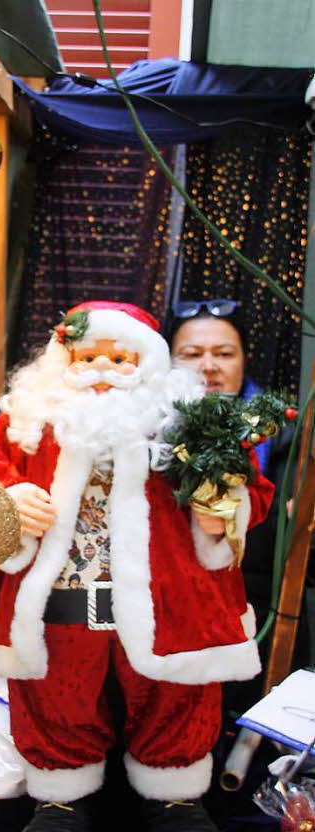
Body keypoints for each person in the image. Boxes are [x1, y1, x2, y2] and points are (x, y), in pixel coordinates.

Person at [0, 301, 273, 832]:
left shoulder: (186, 423)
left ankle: (175, 795)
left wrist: (226, 509)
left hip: (170, 605)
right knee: (55, 695)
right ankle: (59, 796)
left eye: (122, 359)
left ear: (149, 365)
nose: (103, 370)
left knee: (176, 697)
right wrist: (10, 502)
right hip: (61, 604)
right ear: (61, 360)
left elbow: (250, 490)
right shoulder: (26, 423)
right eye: (87, 357)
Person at [169, 298, 304, 711]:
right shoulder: (145, 434)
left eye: (224, 353)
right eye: (191, 354)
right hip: (165, 613)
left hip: (255, 611)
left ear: (244, 360)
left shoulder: (284, 434)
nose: (208, 366)